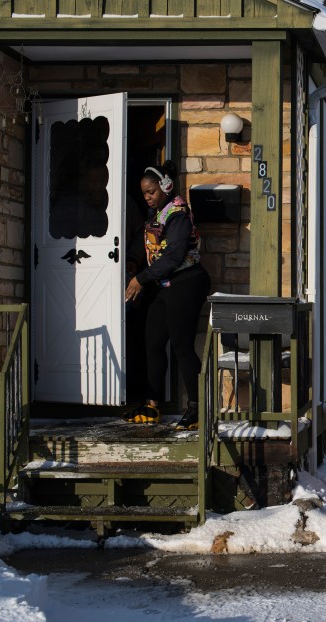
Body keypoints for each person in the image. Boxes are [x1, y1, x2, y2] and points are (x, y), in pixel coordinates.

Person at [123, 161, 211, 430]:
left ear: (165, 187)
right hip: (165, 283)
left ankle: (196, 410)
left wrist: (140, 278)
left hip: (187, 281)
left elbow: (174, 255)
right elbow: (143, 240)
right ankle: (152, 405)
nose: (147, 197)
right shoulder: (156, 213)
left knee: (182, 345)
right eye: (144, 193)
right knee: (153, 341)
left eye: (151, 192)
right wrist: (132, 262)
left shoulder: (178, 214)